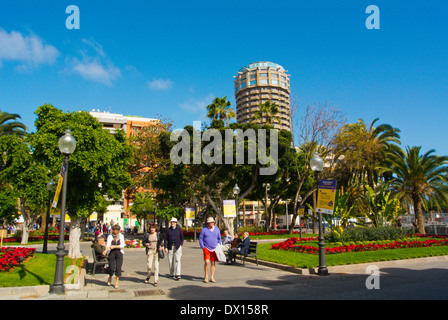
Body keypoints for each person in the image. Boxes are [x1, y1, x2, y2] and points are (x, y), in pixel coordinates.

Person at [199, 217, 221, 283]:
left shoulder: (217, 229)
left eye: (212, 222)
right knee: (207, 261)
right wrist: (203, 247)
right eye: (210, 222)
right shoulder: (204, 229)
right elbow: (201, 239)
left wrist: (219, 245)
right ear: (208, 223)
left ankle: (212, 277)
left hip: (214, 248)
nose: (212, 223)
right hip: (206, 248)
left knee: (213, 262)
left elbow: (219, 238)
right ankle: (206, 276)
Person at [106, 224, 125, 289]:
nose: (115, 231)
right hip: (112, 253)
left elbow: (122, 245)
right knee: (111, 268)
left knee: (118, 268)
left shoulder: (121, 236)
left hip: (119, 252)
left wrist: (114, 246)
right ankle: (110, 276)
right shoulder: (110, 236)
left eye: (116, 230)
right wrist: (106, 250)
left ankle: (116, 281)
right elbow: (108, 245)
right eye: (114, 230)